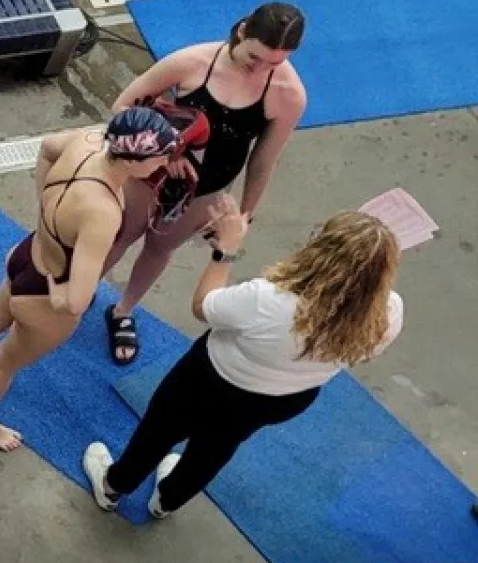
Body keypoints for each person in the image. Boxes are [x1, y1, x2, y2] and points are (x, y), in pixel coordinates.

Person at [83, 207, 403, 518]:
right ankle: (167, 501)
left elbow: (203, 307)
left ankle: (114, 486)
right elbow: (365, 352)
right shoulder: (388, 314)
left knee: (159, 431)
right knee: (216, 449)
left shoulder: (268, 299)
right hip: (285, 399)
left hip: (210, 380)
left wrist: (226, 251)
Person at [0, 108, 177, 452]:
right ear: (133, 161)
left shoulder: (87, 140)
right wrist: (60, 296)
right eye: (161, 159)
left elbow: (46, 148)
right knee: (4, 362)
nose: (163, 166)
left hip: (27, 253)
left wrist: (45, 202)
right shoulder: (101, 212)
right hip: (46, 291)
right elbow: (77, 300)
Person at [100, 1, 307, 365]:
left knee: (159, 250)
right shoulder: (193, 62)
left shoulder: (288, 94)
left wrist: (243, 218)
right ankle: (80, 291)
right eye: (254, 57)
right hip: (149, 176)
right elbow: (123, 106)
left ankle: (123, 310)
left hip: (204, 191)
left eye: (274, 64)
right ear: (241, 32)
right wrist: (168, 150)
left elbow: (263, 161)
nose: (260, 69)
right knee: (118, 236)